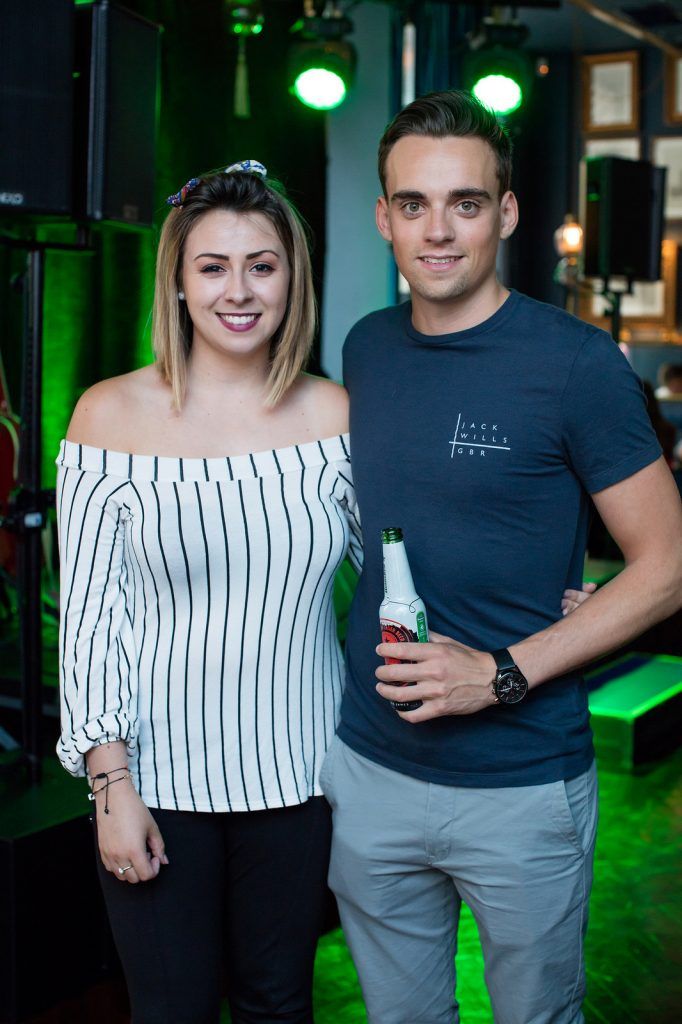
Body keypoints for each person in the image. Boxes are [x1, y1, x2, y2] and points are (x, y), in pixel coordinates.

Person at [320, 91, 682, 1024]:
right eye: (413, 204)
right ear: (384, 218)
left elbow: (667, 564)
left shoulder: (577, 362)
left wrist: (502, 674)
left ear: (507, 212)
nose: (438, 231)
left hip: (521, 786)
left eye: (466, 203)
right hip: (370, 769)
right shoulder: (364, 349)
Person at [56, 161, 361, 1024]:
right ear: (179, 282)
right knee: (172, 1011)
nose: (239, 290)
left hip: (301, 780)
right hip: (155, 783)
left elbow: (399, 566)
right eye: (213, 266)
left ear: (291, 276)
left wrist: (538, 596)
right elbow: (88, 620)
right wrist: (110, 789)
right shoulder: (107, 416)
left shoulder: (334, 417)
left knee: (278, 1004)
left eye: (261, 265)